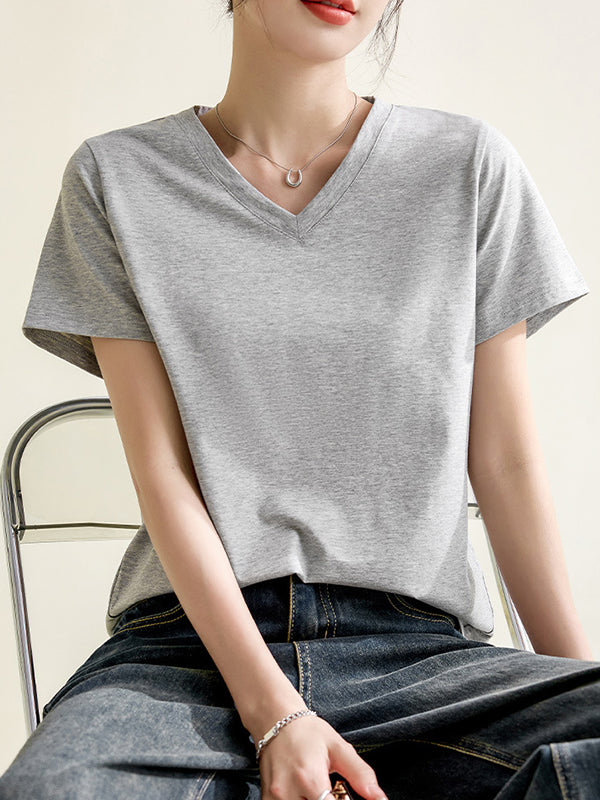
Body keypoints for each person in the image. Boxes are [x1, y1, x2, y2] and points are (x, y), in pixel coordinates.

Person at [1, 0, 599, 797]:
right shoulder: (118, 178)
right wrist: (277, 715)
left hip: (422, 657)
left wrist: (575, 694)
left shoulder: (467, 167)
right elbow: (163, 475)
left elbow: (506, 464)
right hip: (186, 658)